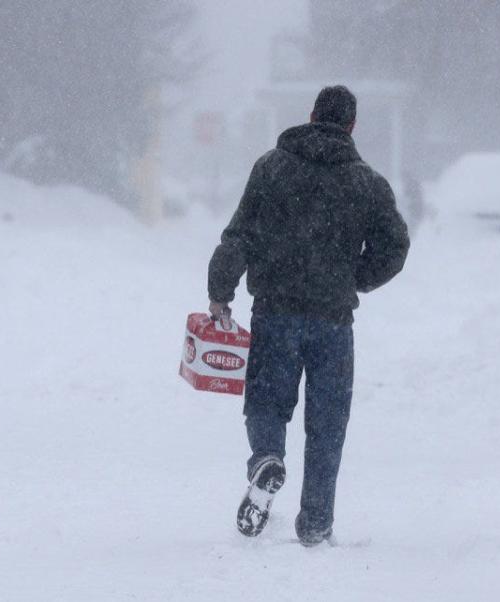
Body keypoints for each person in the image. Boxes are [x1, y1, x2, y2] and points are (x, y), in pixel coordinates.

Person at [207, 85, 410, 546]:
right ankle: (316, 520)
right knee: (327, 422)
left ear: (312, 114)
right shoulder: (367, 183)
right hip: (333, 321)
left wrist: (220, 291)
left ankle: (266, 459)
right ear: (351, 126)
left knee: (265, 402)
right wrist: (355, 277)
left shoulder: (271, 168)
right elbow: (396, 246)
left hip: (275, 312)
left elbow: (238, 235)